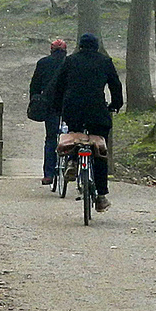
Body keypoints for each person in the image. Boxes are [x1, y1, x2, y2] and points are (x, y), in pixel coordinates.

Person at [48, 32, 123, 210]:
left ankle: (73, 161)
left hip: (73, 109)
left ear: (80, 46)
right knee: (99, 150)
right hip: (97, 110)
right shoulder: (105, 62)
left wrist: (59, 107)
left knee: (75, 134)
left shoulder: (70, 61)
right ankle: (101, 196)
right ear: (96, 46)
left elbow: (59, 86)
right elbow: (115, 85)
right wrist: (115, 104)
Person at [28, 38, 68, 185]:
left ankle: (48, 174)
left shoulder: (43, 63)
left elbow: (34, 86)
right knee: (71, 136)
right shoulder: (70, 63)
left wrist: (36, 101)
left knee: (51, 138)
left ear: (51, 50)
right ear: (65, 51)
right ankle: (71, 166)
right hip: (68, 105)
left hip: (50, 106)